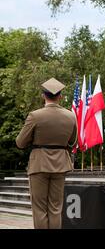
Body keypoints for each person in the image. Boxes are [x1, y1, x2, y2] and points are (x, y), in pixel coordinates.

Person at [16, 78, 77, 229]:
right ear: (60, 96)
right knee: (56, 209)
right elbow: (73, 142)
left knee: (40, 210)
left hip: (39, 165)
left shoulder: (35, 116)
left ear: (43, 95)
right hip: (61, 165)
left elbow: (20, 143)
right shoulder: (71, 116)